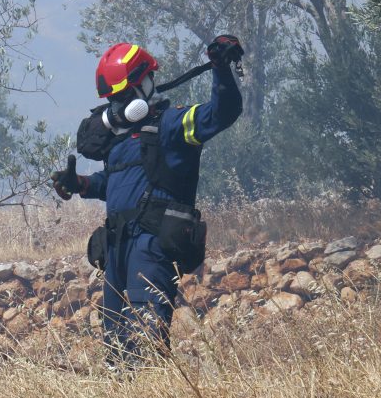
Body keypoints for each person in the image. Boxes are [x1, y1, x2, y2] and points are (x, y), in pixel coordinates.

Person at [52, 36, 243, 361]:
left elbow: (222, 113)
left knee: (144, 342)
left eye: (122, 96)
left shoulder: (173, 125)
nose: (116, 106)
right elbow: (115, 182)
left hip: (152, 245)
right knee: (115, 347)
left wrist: (221, 69)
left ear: (143, 87)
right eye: (112, 99)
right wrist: (81, 183)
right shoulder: (118, 141)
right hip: (116, 250)